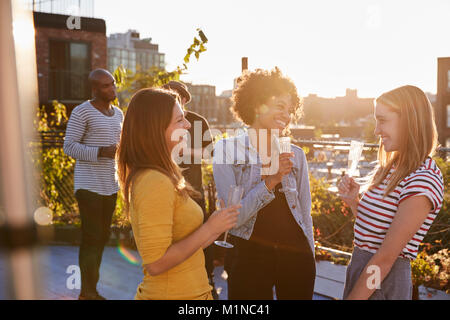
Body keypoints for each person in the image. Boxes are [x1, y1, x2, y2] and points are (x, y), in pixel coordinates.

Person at [116, 88, 240, 300]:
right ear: (157, 129)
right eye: (180, 119)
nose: (188, 125)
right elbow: (156, 264)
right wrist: (210, 227)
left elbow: (189, 244)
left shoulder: (162, 174)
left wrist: (217, 225)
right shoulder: (153, 181)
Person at [212, 68, 316, 300]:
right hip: (248, 257)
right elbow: (234, 218)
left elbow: (305, 213)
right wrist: (271, 181)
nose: (287, 115)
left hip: (297, 258)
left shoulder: (296, 154)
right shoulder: (226, 150)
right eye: (280, 106)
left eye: (290, 110)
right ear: (258, 105)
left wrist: (310, 255)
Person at [338, 85, 444, 300]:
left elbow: (385, 258)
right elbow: (377, 233)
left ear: (409, 122)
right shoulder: (392, 166)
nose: (376, 131)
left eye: (382, 120)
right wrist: (354, 202)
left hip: (381, 282)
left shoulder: (423, 178)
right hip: (364, 272)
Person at [63, 69, 124, 300]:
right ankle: (87, 292)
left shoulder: (119, 114)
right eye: (107, 86)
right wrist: (100, 151)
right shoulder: (82, 112)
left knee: (101, 237)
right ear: (95, 89)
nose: (113, 88)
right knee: (91, 237)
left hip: (111, 185)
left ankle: (91, 289)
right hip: (88, 186)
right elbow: (69, 147)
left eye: (113, 84)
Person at [161, 81, 218, 298]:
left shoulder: (198, 121)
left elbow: (209, 153)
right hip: (166, 188)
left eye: (176, 96)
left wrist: (186, 151)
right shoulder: (158, 121)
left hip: (193, 189)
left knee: (202, 230)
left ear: (184, 99)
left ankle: (208, 275)